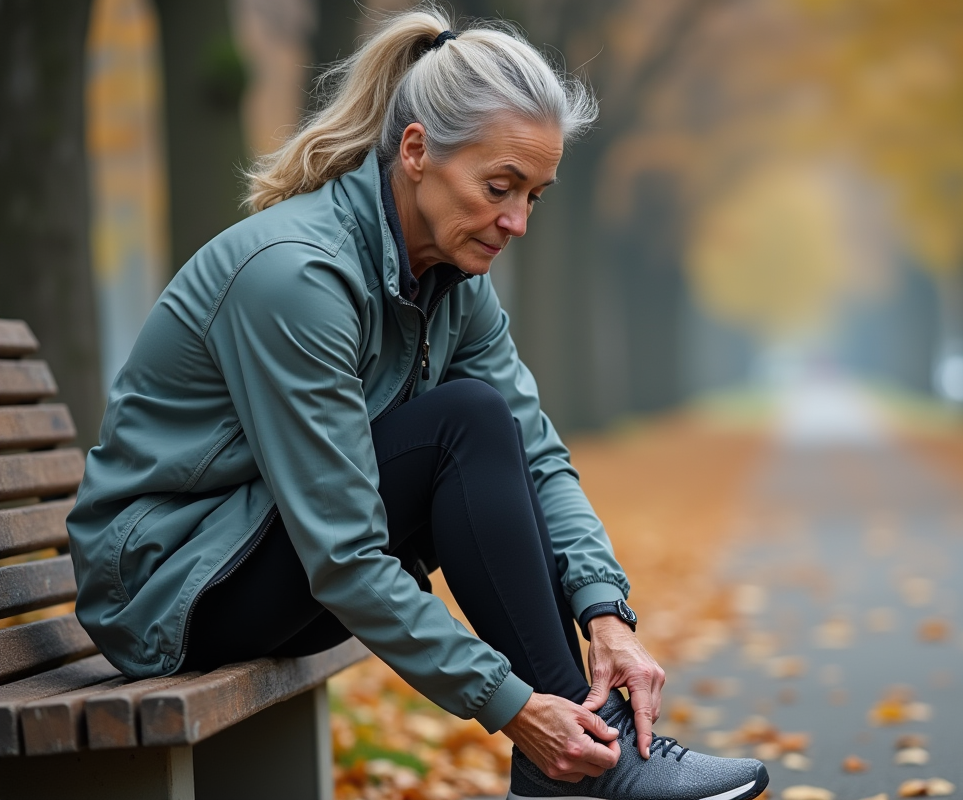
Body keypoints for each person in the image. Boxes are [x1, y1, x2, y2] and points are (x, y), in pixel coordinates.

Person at [67, 6, 768, 800]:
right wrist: (511, 707)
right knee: (461, 423)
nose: (518, 222)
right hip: (170, 592)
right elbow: (345, 551)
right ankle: (581, 758)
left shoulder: (454, 282)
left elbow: (537, 455)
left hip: (265, 552)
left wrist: (608, 612)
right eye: (500, 187)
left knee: (482, 421)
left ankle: (578, 758)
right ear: (415, 152)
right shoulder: (298, 278)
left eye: (534, 195)